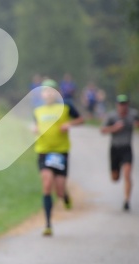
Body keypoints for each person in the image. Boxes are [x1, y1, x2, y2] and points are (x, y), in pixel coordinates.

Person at [33, 79, 84, 236]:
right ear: (42, 94)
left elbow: (81, 119)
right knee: (47, 184)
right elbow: (35, 125)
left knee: (59, 192)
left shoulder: (66, 106)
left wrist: (70, 124)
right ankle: (48, 224)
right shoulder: (37, 111)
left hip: (61, 152)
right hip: (43, 152)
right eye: (45, 91)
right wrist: (34, 129)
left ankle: (65, 194)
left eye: (51, 91)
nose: (48, 94)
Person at [100, 94, 139, 211]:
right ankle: (116, 174)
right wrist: (114, 128)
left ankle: (127, 201)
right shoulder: (112, 116)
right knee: (115, 178)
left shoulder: (133, 114)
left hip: (127, 148)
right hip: (114, 149)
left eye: (124, 104)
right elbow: (102, 130)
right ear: (117, 105)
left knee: (127, 174)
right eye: (120, 104)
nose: (122, 106)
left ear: (127, 104)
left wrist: (138, 124)